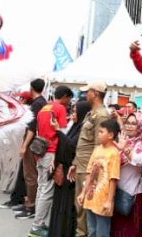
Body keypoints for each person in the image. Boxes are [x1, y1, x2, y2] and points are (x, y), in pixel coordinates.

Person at [32, 86, 73, 236]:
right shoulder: (60, 108)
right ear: (65, 97)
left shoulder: (44, 107)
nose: (69, 102)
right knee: (47, 190)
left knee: (41, 187)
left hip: (40, 150)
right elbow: (62, 131)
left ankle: (38, 221)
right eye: (69, 99)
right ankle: (37, 225)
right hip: (51, 152)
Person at [72, 81, 111, 237]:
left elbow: (99, 147)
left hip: (88, 168)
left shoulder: (101, 115)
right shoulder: (92, 113)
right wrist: (75, 163)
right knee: (80, 207)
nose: (85, 94)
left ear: (95, 93)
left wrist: (92, 174)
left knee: (83, 208)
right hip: (82, 165)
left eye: (88, 91)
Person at [51, 101, 92, 237]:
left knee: (69, 207)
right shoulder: (74, 127)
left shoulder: (83, 129)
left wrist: (58, 131)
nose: (72, 114)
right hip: (64, 170)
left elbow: (72, 147)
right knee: (60, 204)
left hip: (72, 173)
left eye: (75, 112)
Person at [78, 118, 121, 237]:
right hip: (91, 197)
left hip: (103, 200)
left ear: (111, 135)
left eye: (101, 132)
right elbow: (89, 173)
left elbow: (113, 178)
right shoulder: (97, 150)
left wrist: (109, 201)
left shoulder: (114, 153)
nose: (98, 134)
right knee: (92, 231)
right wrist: (83, 192)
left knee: (102, 233)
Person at [111, 110, 142, 237]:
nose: (129, 126)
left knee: (131, 230)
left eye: (133, 123)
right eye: (127, 122)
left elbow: (138, 160)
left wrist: (125, 149)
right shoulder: (121, 140)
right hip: (118, 191)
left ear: (140, 126)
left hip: (134, 194)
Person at [18, 79, 49, 220]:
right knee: (33, 174)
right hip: (40, 143)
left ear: (31, 88)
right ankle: (30, 203)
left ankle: (31, 206)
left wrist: (24, 145)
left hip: (32, 143)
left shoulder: (37, 104)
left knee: (30, 174)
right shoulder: (43, 102)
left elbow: (32, 127)